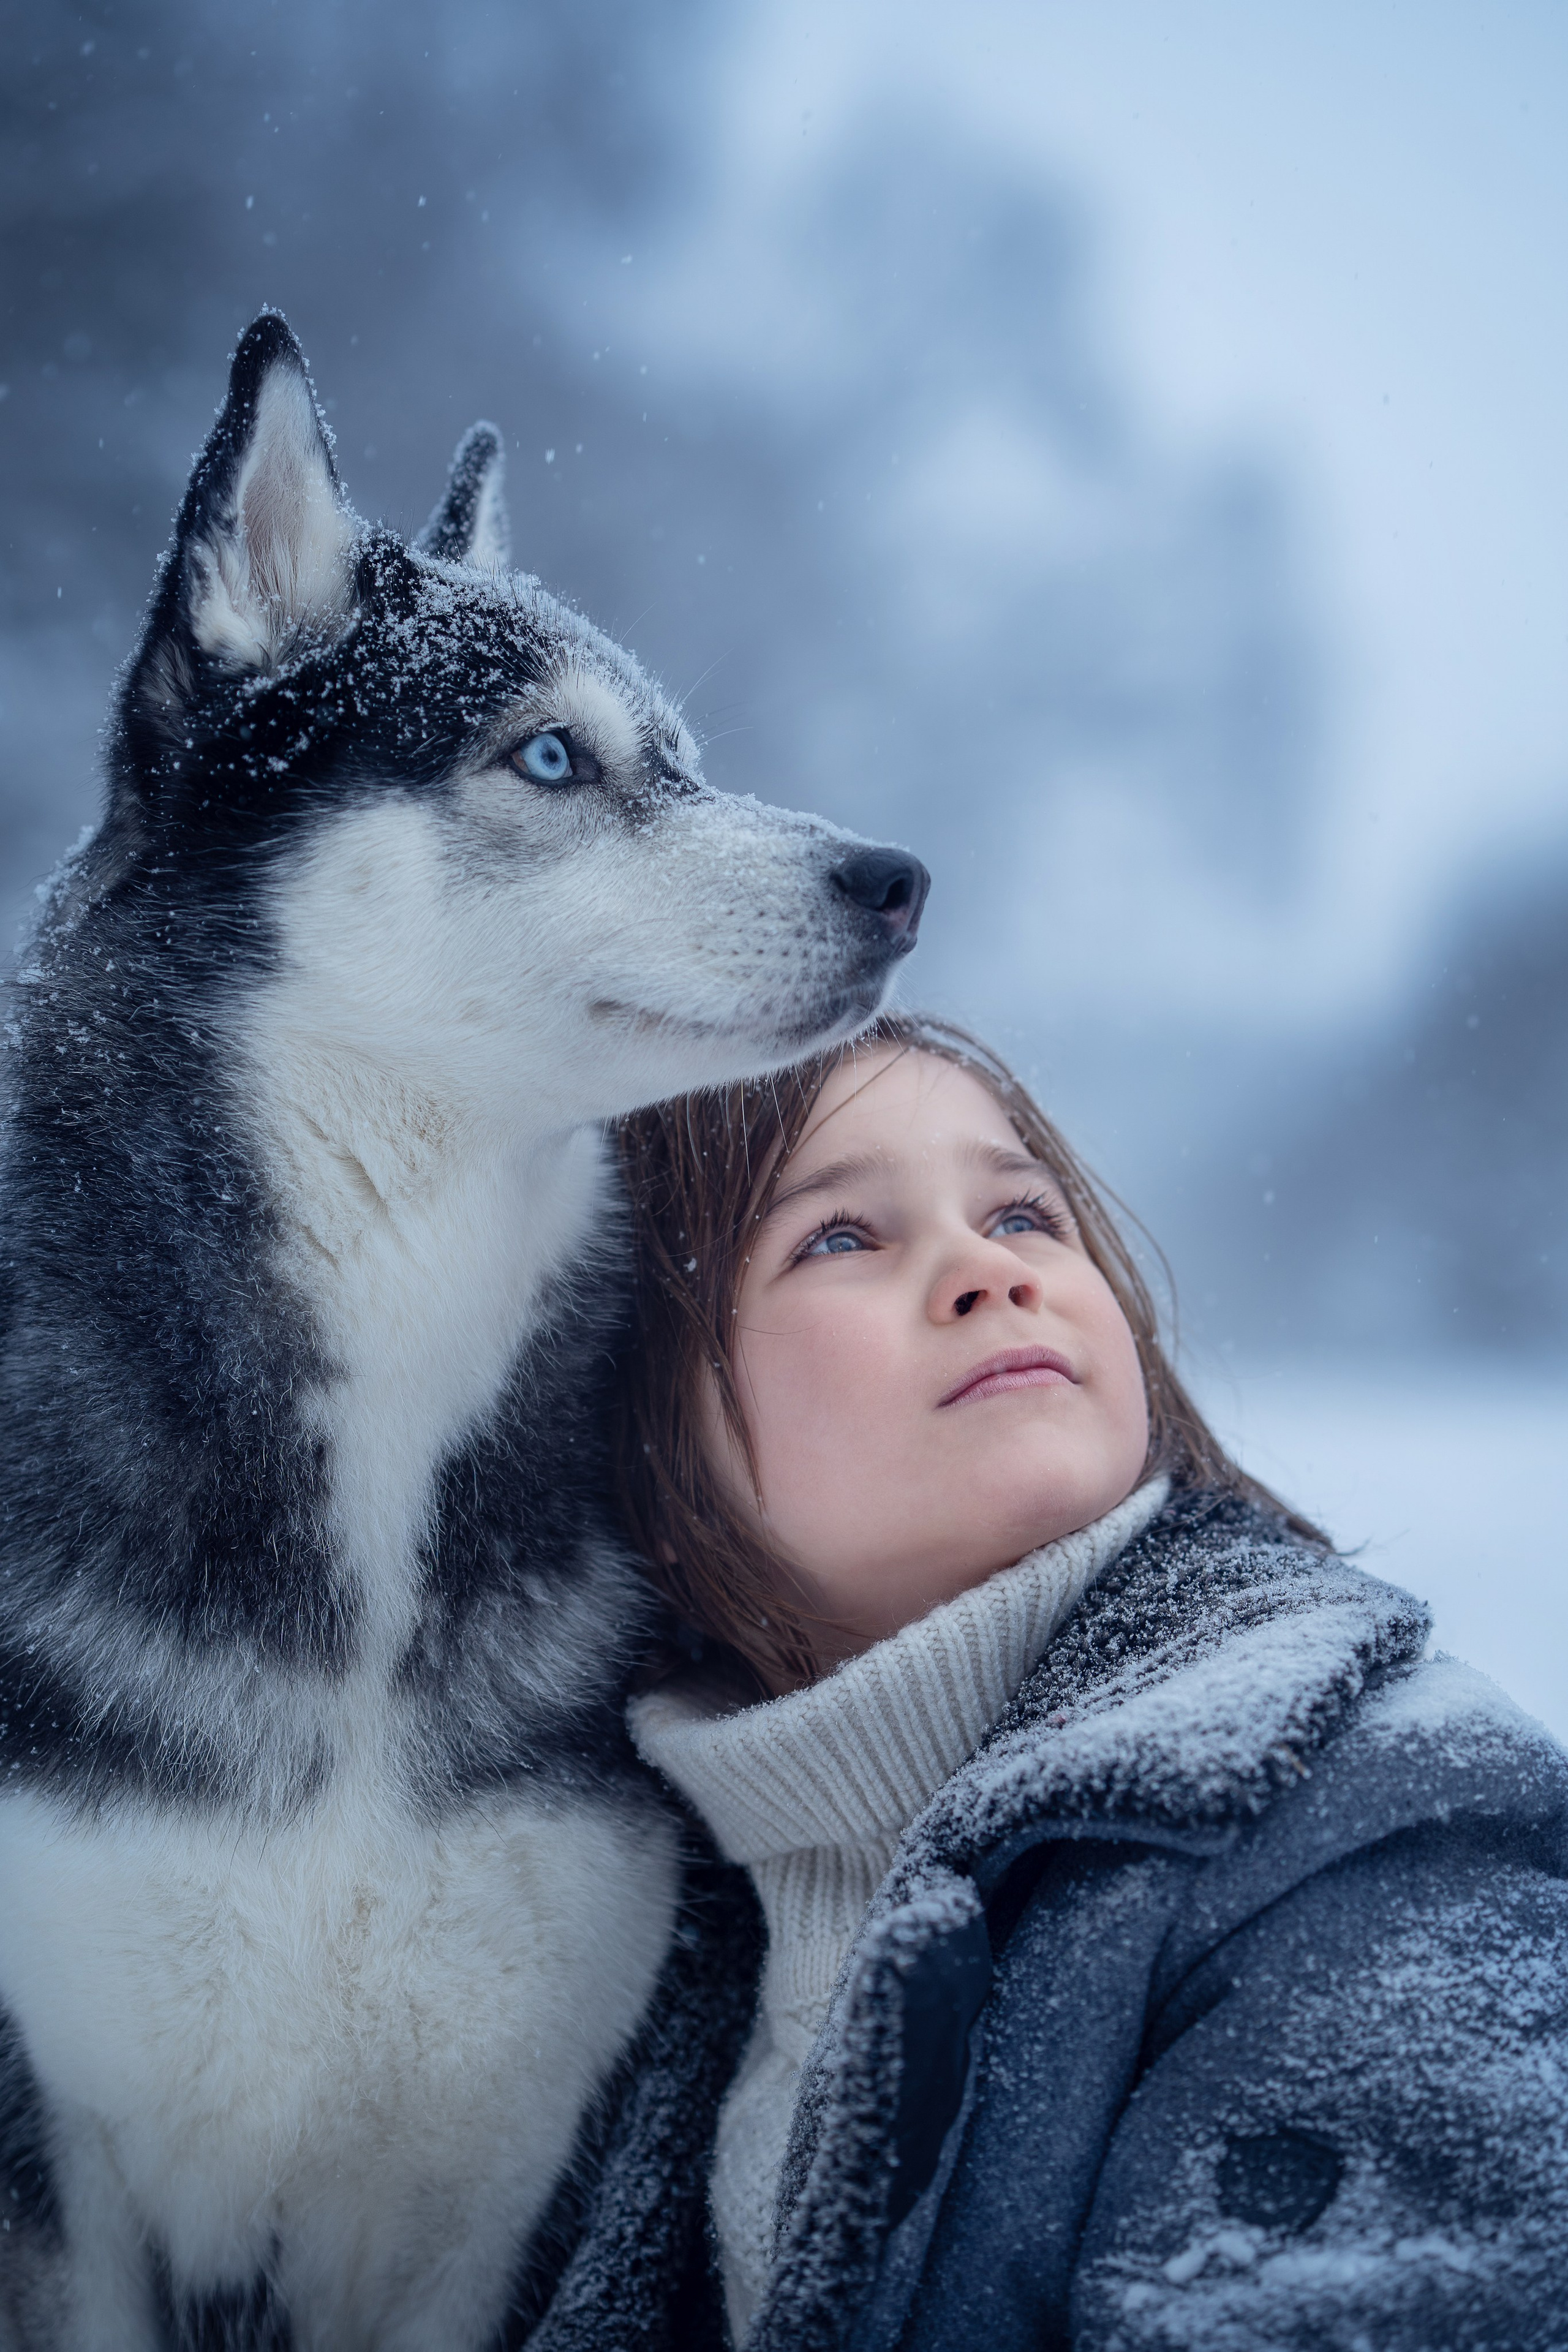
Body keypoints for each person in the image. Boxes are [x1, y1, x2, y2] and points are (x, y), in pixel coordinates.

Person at [514, 1013, 1568, 2351]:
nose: (984, 1270)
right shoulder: (616, 1962)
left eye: (1022, 1215)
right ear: (636, 1428)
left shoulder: (1375, 1823)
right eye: (840, 1237)